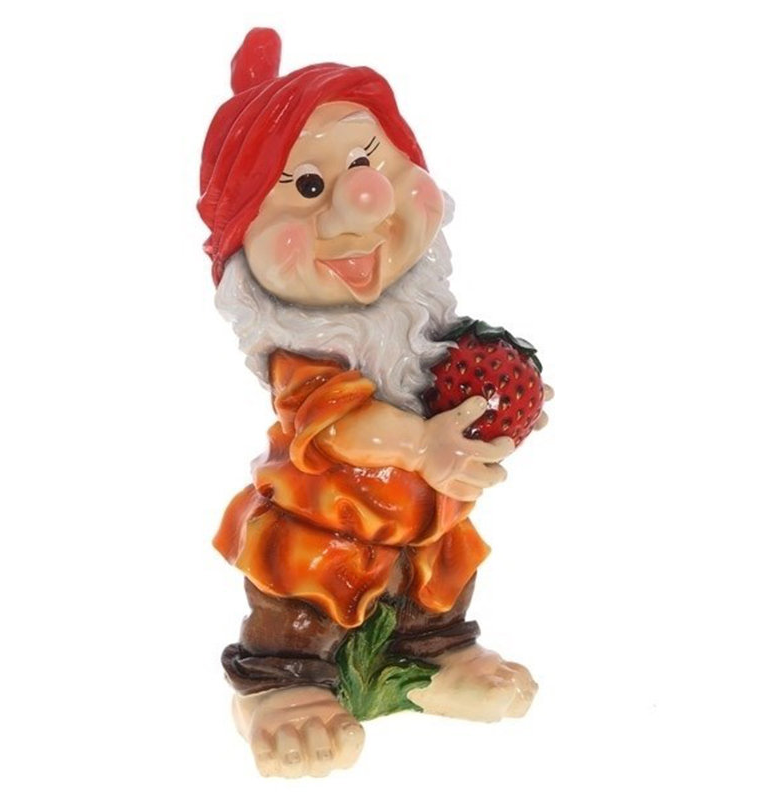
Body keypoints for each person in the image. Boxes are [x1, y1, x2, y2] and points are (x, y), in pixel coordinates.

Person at [199, 28, 550, 778]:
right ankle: (282, 689)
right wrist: (423, 445)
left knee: (437, 582)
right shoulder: (303, 355)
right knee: (303, 597)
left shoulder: (421, 322)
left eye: (368, 162)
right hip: (327, 521)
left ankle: (435, 657)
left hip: (424, 515)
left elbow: (461, 381)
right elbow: (343, 425)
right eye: (308, 187)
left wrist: (503, 405)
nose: (364, 204)